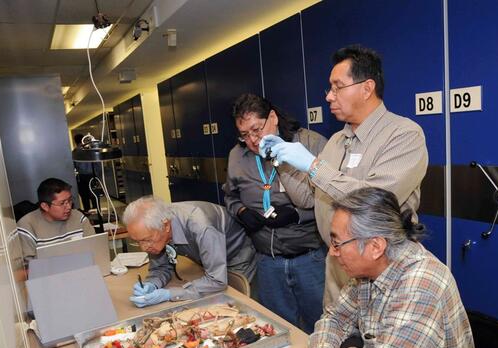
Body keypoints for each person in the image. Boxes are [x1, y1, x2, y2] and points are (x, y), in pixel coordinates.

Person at [260, 44, 428, 314]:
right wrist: (281, 160)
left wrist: (313, 166)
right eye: (329, 88)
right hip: (338, 267)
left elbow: (374, 200)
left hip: (382, 268)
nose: (329, 96)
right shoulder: (337, 141)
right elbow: (307, 198)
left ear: (366, 87)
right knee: (334, 340)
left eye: (337, 87)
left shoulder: (404, 135)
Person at [307, 187, 486, 348]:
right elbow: (334, 318)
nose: (332, 251)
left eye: (337, 242)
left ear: (375, 246)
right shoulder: (370, 269)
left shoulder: (420, 286)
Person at [223, 93, 328, 333]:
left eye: (256, 130)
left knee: (322, 328)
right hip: (267, 262)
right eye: (244, 134)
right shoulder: (237, 156)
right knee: (279, 331)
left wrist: (297, 215)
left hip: (310, 258)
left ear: (272, 118)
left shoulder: (311, 144)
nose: (252, 140)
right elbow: (230, 195)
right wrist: (240, 211)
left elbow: (331, 200)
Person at [123, 196, 257, 306]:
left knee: (232, 306)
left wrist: (170, 294)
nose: (143, 247)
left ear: (166, 226)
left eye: (146, 240)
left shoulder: (201, 226)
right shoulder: (154, 230)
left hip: (236, 255)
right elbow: (161, 267)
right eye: (138, 241)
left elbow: (217, 281)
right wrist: (152, 284)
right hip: (207, 257)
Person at [17, 178, 95, 265]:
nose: (69, 207)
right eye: (62, 203)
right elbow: (28, 268)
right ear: (45, 206)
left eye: (69, 200)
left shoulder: (79, 218)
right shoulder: (27, 225)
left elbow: (95, 250)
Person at [73, 133, 97, 212]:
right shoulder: (89, 150)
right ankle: (97, 212)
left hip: (82, 177)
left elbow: (73, 166)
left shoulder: (75, 152)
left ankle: (88, 212)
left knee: (84, 196)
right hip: (92, 175)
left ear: (75, 141)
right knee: (94, 196)